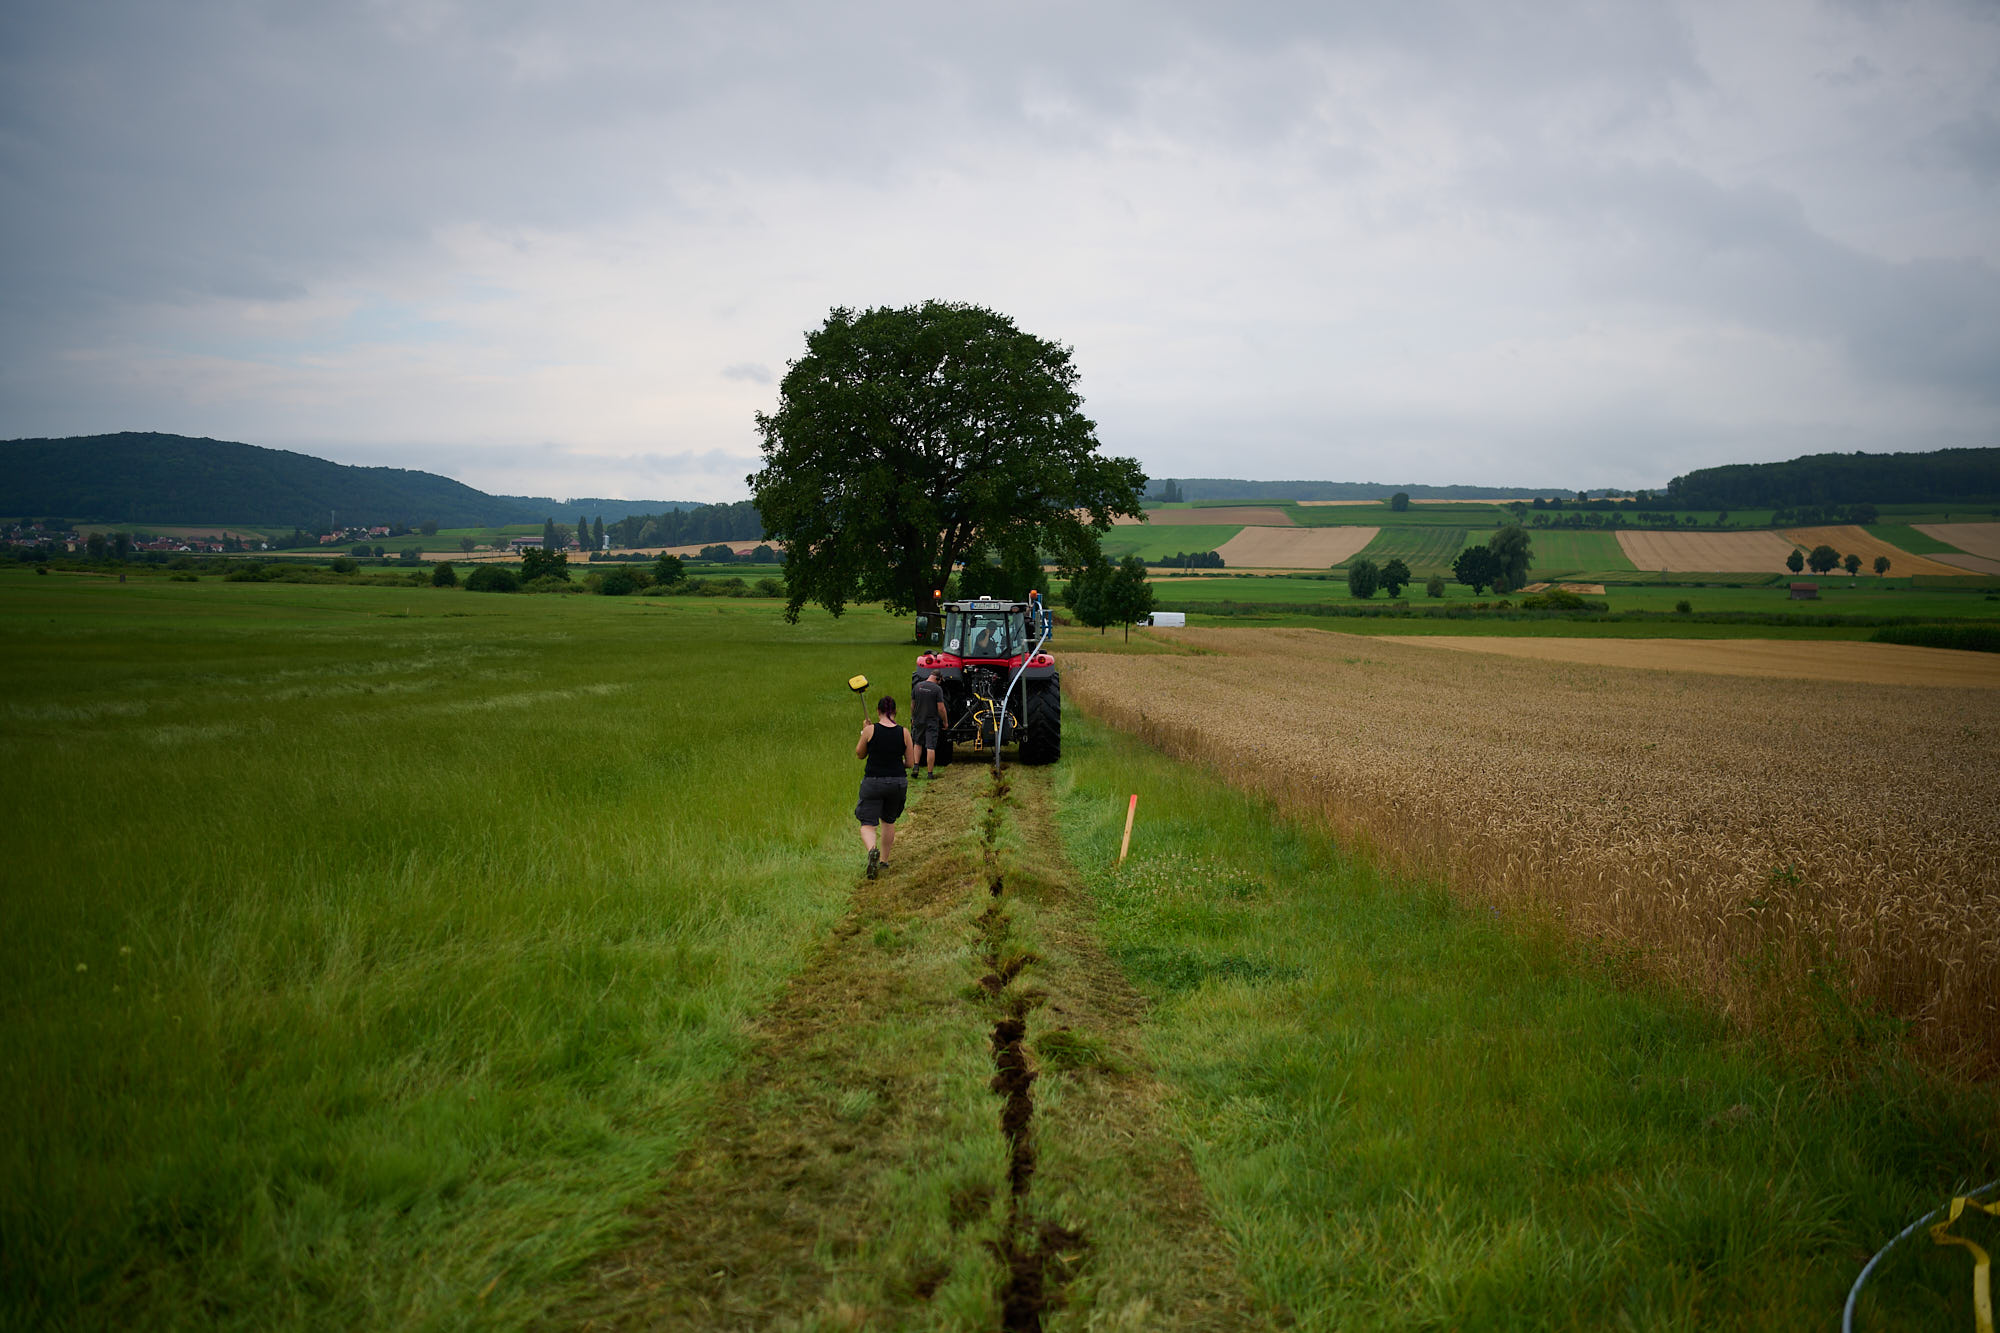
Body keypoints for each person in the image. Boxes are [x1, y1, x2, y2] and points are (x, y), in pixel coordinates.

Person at [854, 695, 917, 879]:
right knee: (888, 821)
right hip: (897, 782)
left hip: (873, 782)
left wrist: (864, 732)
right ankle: (884, 860)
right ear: (895, 712)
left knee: (867, 824)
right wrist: (897, 762)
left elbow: (859, 754)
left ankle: (872, 850)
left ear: (878, 711)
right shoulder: (904, 732)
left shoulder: (870, 730)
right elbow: (911, 762)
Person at [910, 670, 947, 778]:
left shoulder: (917, 686)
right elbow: (941, 708)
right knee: (930, 746)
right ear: (937, 678)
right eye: (940, 681)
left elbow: (912, 704)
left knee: (917, 743)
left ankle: (916, 767)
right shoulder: (937, 689)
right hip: (931, 721)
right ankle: (930, 773)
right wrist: (945, 721)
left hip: (918, 720)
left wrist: (913, 717)